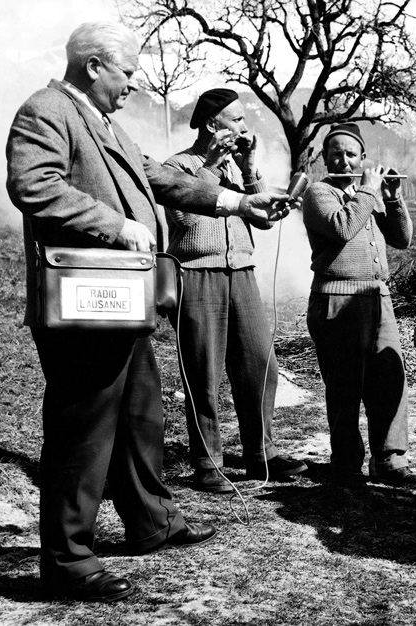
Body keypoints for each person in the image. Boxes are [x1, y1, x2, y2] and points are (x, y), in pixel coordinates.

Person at [5, 22, 292, 602]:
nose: (134, 84)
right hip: (82, 300)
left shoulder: (103, 121)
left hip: (118, 299)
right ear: (93, 66)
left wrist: (237, 201)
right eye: (128, 72)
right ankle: (68, 558)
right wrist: (115, 224)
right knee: (83, 426)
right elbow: (33, 185)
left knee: (140, 414)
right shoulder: (46, 110)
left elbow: (160, 178)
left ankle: (150, 521)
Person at [162, 88, 307, 492]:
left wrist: (248, 168)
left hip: (241, 271)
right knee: (203, 371)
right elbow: (186, 221)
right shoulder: (178, 165)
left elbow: (262, 220)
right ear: (214, 125)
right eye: (238, 119)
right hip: (197, 273)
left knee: (261, 364)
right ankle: (208, 464)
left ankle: (262, 454)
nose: (245, 126)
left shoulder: (235, 167)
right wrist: (210, 167)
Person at [302, 122, 416, 489]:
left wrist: (393, 196)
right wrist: (369, 191)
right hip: (336, 299)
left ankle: (389, 460)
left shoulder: (365, 193)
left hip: (377, 297)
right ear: (325, 158)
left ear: (362, 158)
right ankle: (346, 461)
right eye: (336, 153)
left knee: (389, 379)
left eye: (351, 154)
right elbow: (342, 227)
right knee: (343, 384)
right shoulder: (318, 192)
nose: (343, 159)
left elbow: (402, 239)